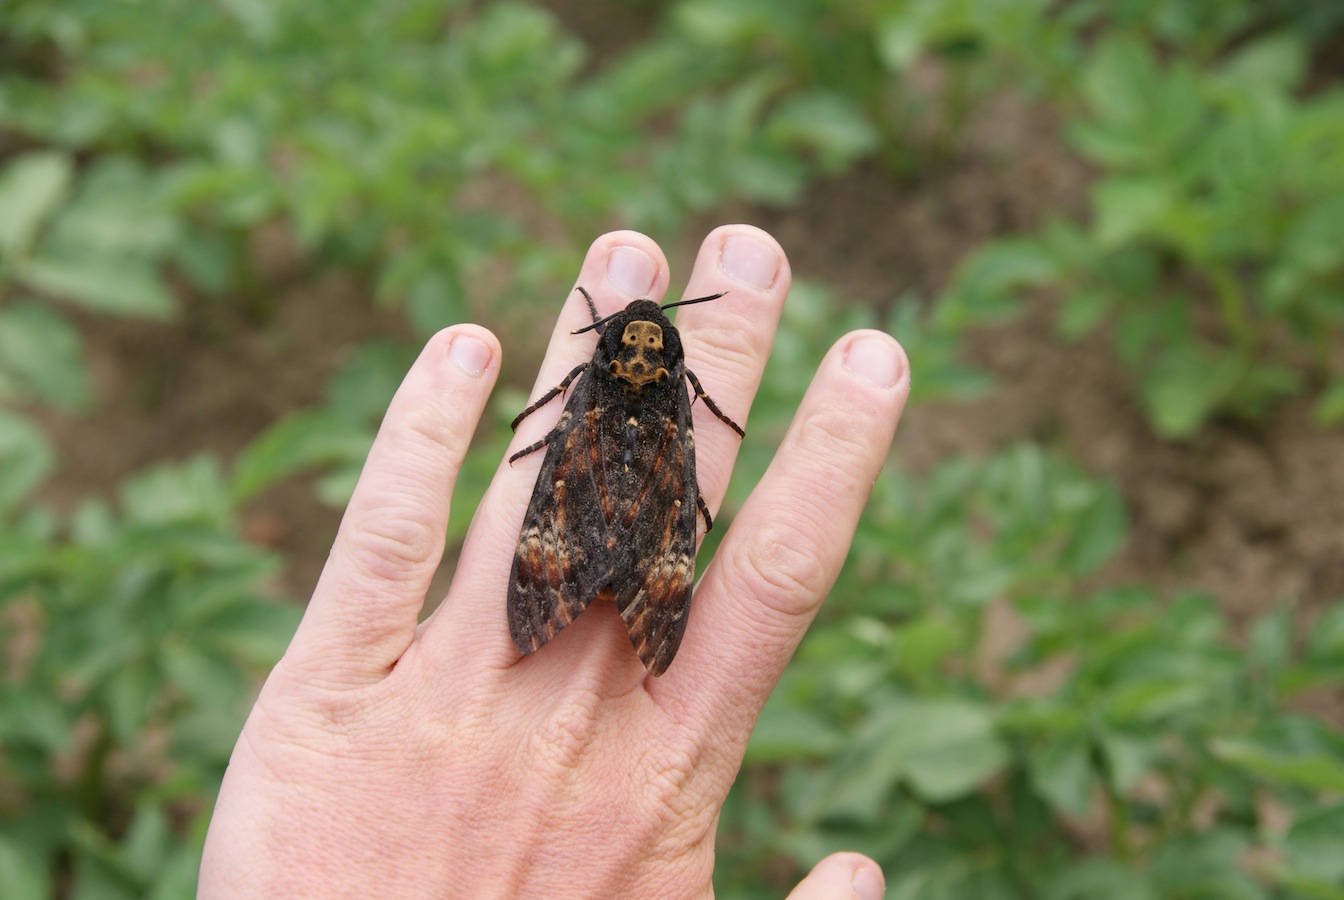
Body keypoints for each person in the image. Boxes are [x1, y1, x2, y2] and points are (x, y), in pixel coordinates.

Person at [198, 225, 910, 898]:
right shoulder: (675, 383)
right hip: (660, 465)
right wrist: (695, 441)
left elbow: (575, 397)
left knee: (579, 502)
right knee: (664, 509)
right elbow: (687, 412)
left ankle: (577, 581)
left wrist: (553, 429)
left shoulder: (596, 373)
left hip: (580, 465)